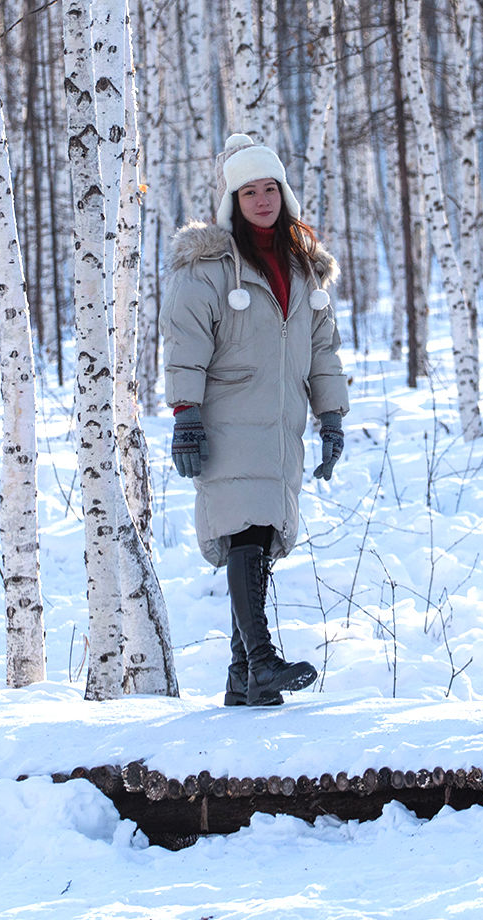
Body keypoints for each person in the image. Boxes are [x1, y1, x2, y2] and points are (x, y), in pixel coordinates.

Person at [162, 133, 348, 706]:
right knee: (244, 529)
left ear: (284, 193)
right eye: (250, 191)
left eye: (271, 188)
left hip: (281, 422)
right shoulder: (211, 266)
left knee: (263, 534)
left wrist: (332, 416)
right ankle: (261, 661)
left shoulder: (303, 268)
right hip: (226, 417)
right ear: (233, 200)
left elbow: (323, 350)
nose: (263, 199)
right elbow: (183, 341)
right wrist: (185, 413)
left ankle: (242, 681)